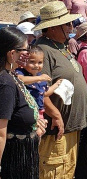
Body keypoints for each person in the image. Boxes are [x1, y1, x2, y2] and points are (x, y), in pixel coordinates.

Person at [33, 1, 87, 179]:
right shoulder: (43, 50)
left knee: (66, 171)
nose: (71, 27)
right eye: (67, 24)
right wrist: (56, 115)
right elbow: (37, 90)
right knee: (54, 171)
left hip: (69, 127)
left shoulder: (60, 47)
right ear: (52, 28)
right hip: (57, 129)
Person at [0, 27, 46, 178]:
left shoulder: (11, 75)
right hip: (13, 162)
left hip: (25, 158)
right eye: (25, 50)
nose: (28, 54)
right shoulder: (6, 83)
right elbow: (0, 132)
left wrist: (33, 124)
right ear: (12, 53)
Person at [15, 45, 62, 119]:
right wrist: (39, 78)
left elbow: (45, 93)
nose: (36, 65)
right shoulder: (21, 72)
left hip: (39, 111)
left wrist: (56, 85)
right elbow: (21, 80)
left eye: (40, 62)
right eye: (32, 62)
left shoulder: (41, 77)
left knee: (40, 129)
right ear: (24, 61)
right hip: (26, 111)